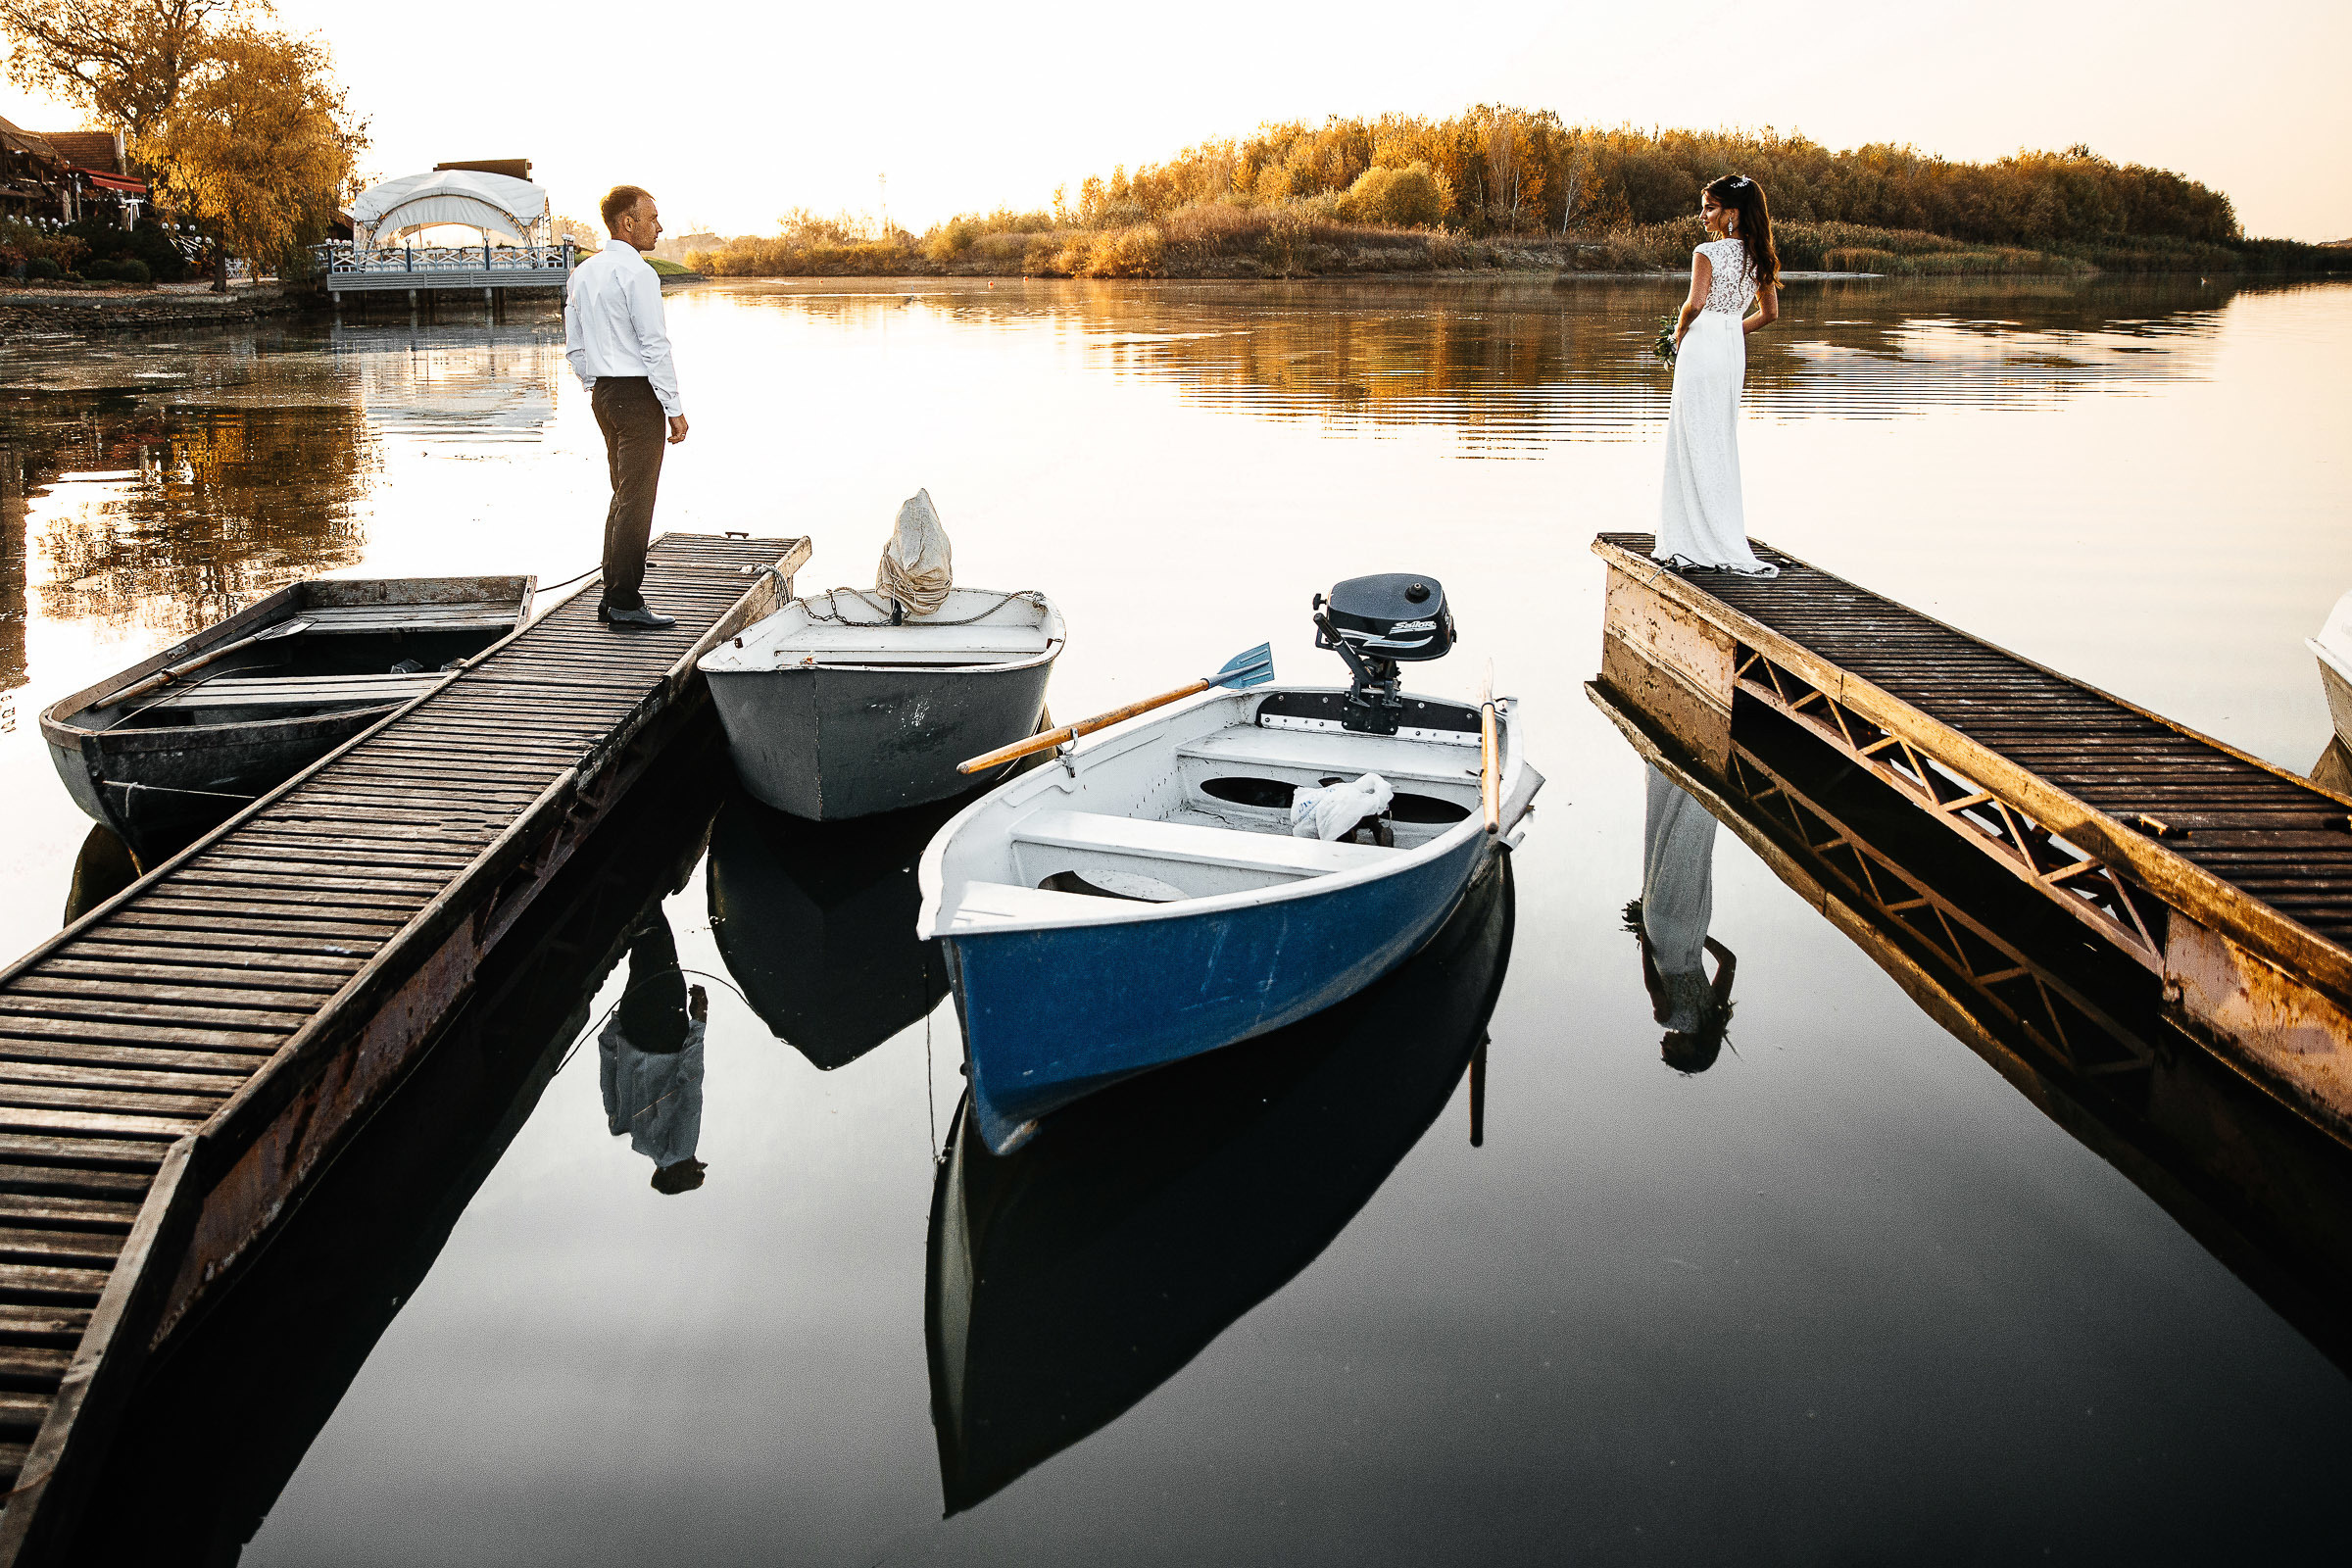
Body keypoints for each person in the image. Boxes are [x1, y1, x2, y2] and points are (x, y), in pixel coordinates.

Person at [564, 184, 689, 629]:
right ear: (627, 223)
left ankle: (612, 595)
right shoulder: (639, 273)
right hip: (637, 396)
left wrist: (595, 382)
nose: (660, 227)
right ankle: (624, 601)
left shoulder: (582, 273)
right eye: (652, 218)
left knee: (622, 494)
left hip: (605, 395)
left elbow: (575, 345)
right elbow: (654, 345)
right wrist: (674, 407)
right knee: (636, 498)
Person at [1654, 173, 1782, 577]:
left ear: (1733, 213)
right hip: (1729, 350)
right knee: (1718, 438)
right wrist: (1730, 330)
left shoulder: (1706, 252)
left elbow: (1694, 304)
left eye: (1710, 207)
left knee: (1691, 434)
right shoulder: (1759, 255)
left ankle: (1689, 538)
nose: (1702, 215)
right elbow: (1770, 314)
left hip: (1701, 346)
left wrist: (1678, 333)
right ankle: (1720, 531)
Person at [1626, 766, 1738, 1073]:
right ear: (1689, 1050)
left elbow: (1728, 961)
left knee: (1693, 855)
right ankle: (1667, 776)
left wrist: (1700, 937)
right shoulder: (1669, 1018)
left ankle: (1703, 782)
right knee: (1660, 849)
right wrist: (1644, 940)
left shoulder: (1713, 1014)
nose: (1664, 1046)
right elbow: (1654, 987)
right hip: (1662, 932)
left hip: (1695, 925)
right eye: (1670, 1053)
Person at [599, 909, 710, 1194]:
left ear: (672, 1177)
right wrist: (613, 1031)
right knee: (642, 950)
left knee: (656, 933)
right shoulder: (621, 1125)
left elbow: (691, 1090)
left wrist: (699, 1023)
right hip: (633, 1025)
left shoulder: (680, 1150)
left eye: (695, 1173)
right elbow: (608, 1076)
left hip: (666, 1029)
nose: (697, 1164)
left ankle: (642, 894)